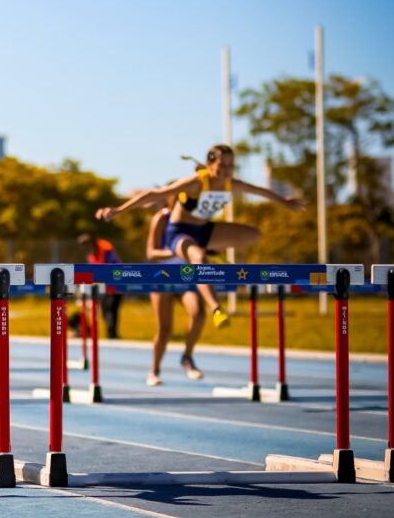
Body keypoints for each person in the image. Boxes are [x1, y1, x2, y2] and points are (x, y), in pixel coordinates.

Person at [95, 144, 305, 329]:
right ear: (209, 165)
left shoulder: (232, 183)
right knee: (198, 258)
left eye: (230, 166)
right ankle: (216, 308)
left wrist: (285, 202)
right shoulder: (196, 183)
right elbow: (155, 194)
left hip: (206, 231)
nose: (226, 170)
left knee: (254, 235)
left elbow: (261, 191)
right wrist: (119, 210)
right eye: (221, 165)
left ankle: (211, 250)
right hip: (180, 233)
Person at [145, 197, 207, 386]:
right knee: (164, 330)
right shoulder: (162, 218)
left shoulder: (196, 218)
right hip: (162, 277)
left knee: (198, 313)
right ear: (171, 200)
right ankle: (154, 370)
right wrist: (177, 251)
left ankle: (187, 357)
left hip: (186, 277)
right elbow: (151, 253)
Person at [76, 233, 122, 339]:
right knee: (105, 310)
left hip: (115, 283)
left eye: (85, 245)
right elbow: (91, 271)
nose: (84, 248)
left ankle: (112, 335)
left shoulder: (105, 248)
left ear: (90, 243)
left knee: (111, 309)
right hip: (104, 285)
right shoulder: (91, 255)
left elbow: (113, 265)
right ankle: (111, 334)